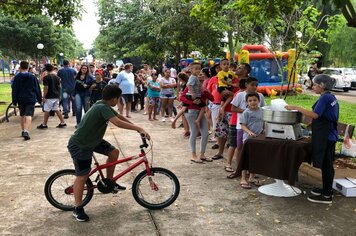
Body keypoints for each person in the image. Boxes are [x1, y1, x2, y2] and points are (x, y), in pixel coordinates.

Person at [68, 84, 150, 222]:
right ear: (113, 99)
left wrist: (137, 128)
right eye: (118, 99)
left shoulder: (103, 104)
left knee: (114, 152)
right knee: (82, 176)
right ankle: (77, 208)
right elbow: (117, 122)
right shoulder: (101, 107)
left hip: (93, 140)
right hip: (81, 145)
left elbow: (119, 117)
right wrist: (138, 128)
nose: (117, 102)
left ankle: (110, 182)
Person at [285, 74, 338, 204]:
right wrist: (310, 126)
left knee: (326, 165)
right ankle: (326, 189)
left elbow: (315, 115)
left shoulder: (325, 98)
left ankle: (326, 195)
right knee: (327, 164)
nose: (312, 87)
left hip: (326, 136)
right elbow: (325, 116)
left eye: (314, 85)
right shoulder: (330, 96)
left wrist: (296, 107)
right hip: (328, 133)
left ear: (322, 86)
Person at [229, 75, 265, 179]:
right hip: (242, 127)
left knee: (253, 150)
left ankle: (251, 170)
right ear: (246, 85)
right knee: (240, 147)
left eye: (256, 85)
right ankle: (238, 169)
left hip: (256, 129)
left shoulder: (260, 96)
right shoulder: (240, 95)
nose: (254, 87)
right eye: (252, 85)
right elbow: (233, 108)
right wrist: (247, 112)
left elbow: (262, 109)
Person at [180, 70, 214, 163]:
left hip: (200, 112)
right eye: (199, 75)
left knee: (206, 133)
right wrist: (192, 101)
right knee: (194, 132)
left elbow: (212, 98)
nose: (201, 76)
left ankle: (202, 154)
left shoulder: (202, 88)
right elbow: (182, 97)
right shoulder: (191, 87)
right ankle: (193, 155)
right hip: (191, 112)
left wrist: (205, 91)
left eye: (202, 74)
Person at [239, 93, 264, 189]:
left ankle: (252, 178)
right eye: (250, 101)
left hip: (258, 138)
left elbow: (264, 122)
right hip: (248, 139)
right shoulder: (246, 112)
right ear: (247, 102)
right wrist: (249, 132)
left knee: (255, 158)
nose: (252, 102)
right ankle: (243, 178)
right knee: (246, 158)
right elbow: (243, 125)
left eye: (254, 100)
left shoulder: (262, 111)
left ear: (259, 101)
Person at [11, 61, 42, 140]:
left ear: (20, 67)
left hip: (21, 98)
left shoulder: (17, 77)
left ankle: (23, 131)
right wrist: (39, 99)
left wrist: (14, 100)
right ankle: (26, 130)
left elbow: (14, 89)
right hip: (30, 98)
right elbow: (37, 89)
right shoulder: (32, 77)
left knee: (22, 115)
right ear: (28, 67)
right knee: (29, 115)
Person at [37, 64, 67, 129]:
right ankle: (62, 122)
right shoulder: (57, 78)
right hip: (56, 95)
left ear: (46, 69)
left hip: (49, 96)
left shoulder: (46, 78)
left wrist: (44, 96)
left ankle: (44, 124)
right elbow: (59, 87)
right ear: (53, 69)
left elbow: (46, 88)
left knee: (47, 110)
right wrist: (59, 95)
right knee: (56, 109)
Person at [184, 62, 206, 130]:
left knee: (200, 107)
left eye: (199, 69)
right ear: (191, 70)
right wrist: (193, 93)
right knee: (203, 107)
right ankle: (198, 120)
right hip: (192, 95)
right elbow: (189, 85)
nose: (198, 70)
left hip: (194, 95)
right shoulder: (193, 77)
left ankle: (197, 120)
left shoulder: (194, 77)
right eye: (196, 69)